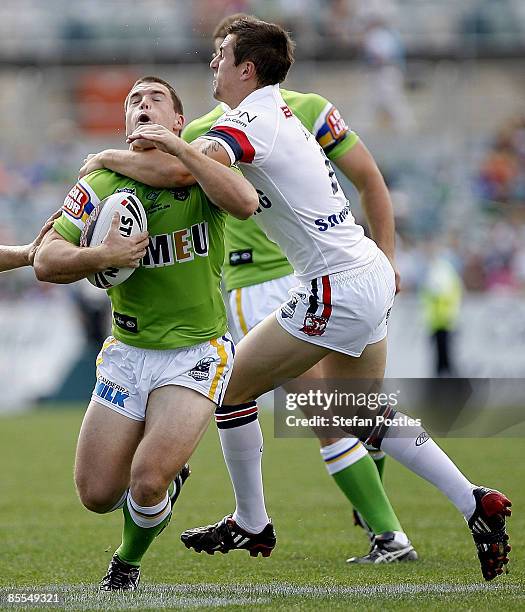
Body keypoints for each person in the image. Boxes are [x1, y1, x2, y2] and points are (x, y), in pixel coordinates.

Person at [86, 21, 511, 581]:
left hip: (333, 284)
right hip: (365, 271)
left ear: (247, 69)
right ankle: (475, 503)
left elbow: (174, 173)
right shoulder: (278, 109)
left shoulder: (252, 119)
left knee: (232, 389)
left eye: (221, 56)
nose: (212, 64)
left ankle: (252, 521)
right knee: (356, 414)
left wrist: (106, 158)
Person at [34, 75, 259, 591]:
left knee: (148, 476)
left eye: (155, 98)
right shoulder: (99, 185)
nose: (142, 104)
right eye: (133, 100)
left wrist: (183, 154)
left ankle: (126, 563)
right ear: (125, 122)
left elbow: (245, 203)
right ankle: (157, 494)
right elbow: (46, 259)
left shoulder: (201, 170)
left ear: (179, 120)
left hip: (195, 352)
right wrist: (103, 256)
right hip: (128, 353)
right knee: (95, 494)